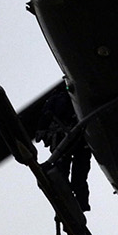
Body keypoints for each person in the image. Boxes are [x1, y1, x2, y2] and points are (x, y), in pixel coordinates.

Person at [28, 83, 92, 211]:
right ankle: (74, 201)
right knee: (72, 173)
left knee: (72, 172)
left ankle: (76, 202)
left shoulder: (57, 98)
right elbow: (46, 117)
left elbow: (45, 117)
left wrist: (42, 131)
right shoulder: (58, 98)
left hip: (73, 138)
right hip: (69, 138)